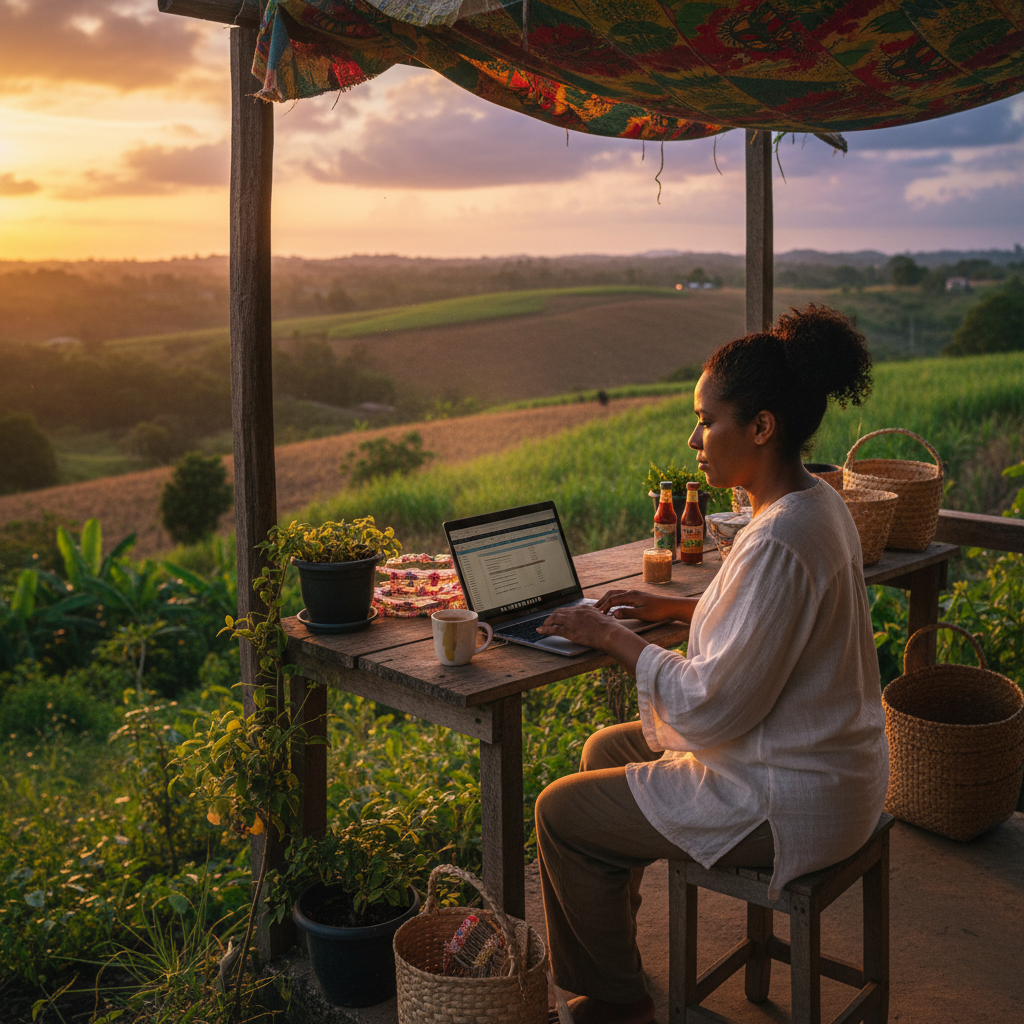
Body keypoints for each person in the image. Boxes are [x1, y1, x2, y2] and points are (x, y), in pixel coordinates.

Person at [533, 305, 889, 1024]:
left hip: (791, 795)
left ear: (760, 427)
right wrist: (672, 611)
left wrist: (613, 639)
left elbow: (711, 705)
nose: (694, 439)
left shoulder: (778, 540)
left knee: (560, 813)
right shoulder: (815, 504)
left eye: (707, 420)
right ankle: (615, 950)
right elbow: (775, 634)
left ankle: (615, 999)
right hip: (833, 765)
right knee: (606, 747)